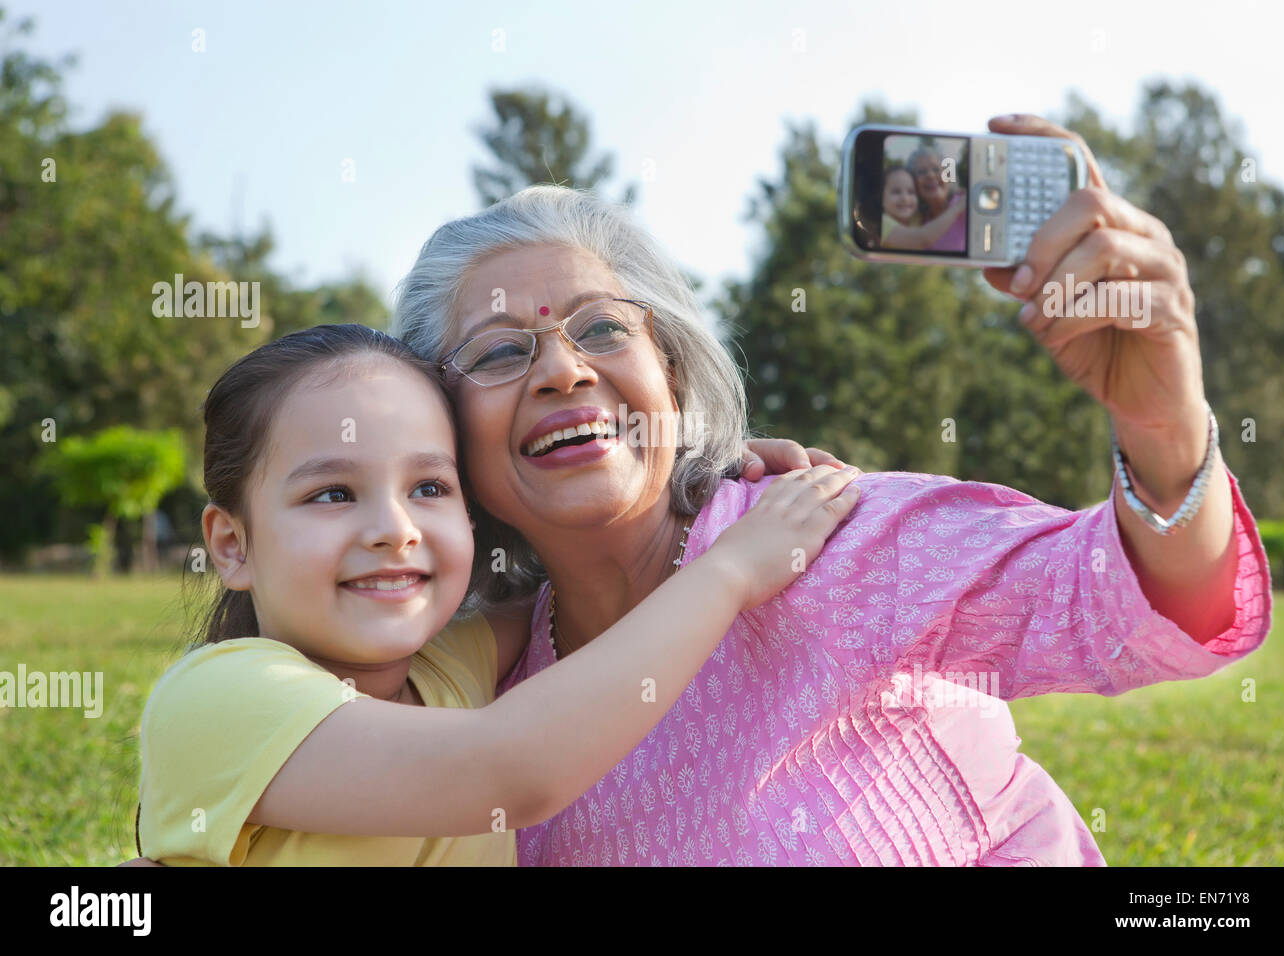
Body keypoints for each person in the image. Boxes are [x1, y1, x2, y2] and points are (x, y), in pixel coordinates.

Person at [384, 113, 1272, 866]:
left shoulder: (816, 533)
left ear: (675, 376)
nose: (563, 369)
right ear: (442, 432)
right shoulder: (492, 703)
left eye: (604, 327)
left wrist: (1163, 426)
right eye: (501, 350)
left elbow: (1126, 606)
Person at [135, 323, 861, 865]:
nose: (395, 530)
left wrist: (683, 485)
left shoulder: (451, 663)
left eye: (428, 487)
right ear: (231, 544)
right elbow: (509, 769)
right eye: (332, 493)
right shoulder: (219, 697)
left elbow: (598, 581)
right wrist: (731, 570)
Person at [880, 164, 966, 250]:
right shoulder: (883, 222)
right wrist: (957, 208)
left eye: (911, 192)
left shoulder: (916, 218)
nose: (905, 198)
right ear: (881, 197)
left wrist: (955, 193)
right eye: (896, 192)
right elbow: (922, 239)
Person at [908, 144, 967, 252]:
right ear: (913, 183)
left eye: (936, 169)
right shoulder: (916, 220)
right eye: (922, 172)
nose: (930, 175)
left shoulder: (965, 204)